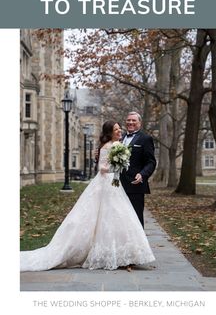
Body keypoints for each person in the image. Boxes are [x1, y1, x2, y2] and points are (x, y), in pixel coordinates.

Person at [20, 120, 155, 272]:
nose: (119, 131)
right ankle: (110, 253)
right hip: (107, 182)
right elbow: (102, 168)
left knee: (116, 215)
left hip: (114, 183)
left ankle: (121, 253)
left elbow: (135, 161)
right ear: (110, 132)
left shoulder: (118, 144)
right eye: (116, 129)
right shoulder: (112, 145)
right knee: (109, 216)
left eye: (119, 128)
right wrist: (116, 164)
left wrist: (120, 164)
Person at [120, 112, 156, 228]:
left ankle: (138, 244)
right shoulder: (120, 138)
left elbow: (151, 162)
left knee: (136, 217)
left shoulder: (146, 139)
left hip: (135, 185)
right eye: (128, 120)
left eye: (133, 120)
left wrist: (142, 174)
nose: (130, 122)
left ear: (139, 123)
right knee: (119, 217)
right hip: (118, 185)